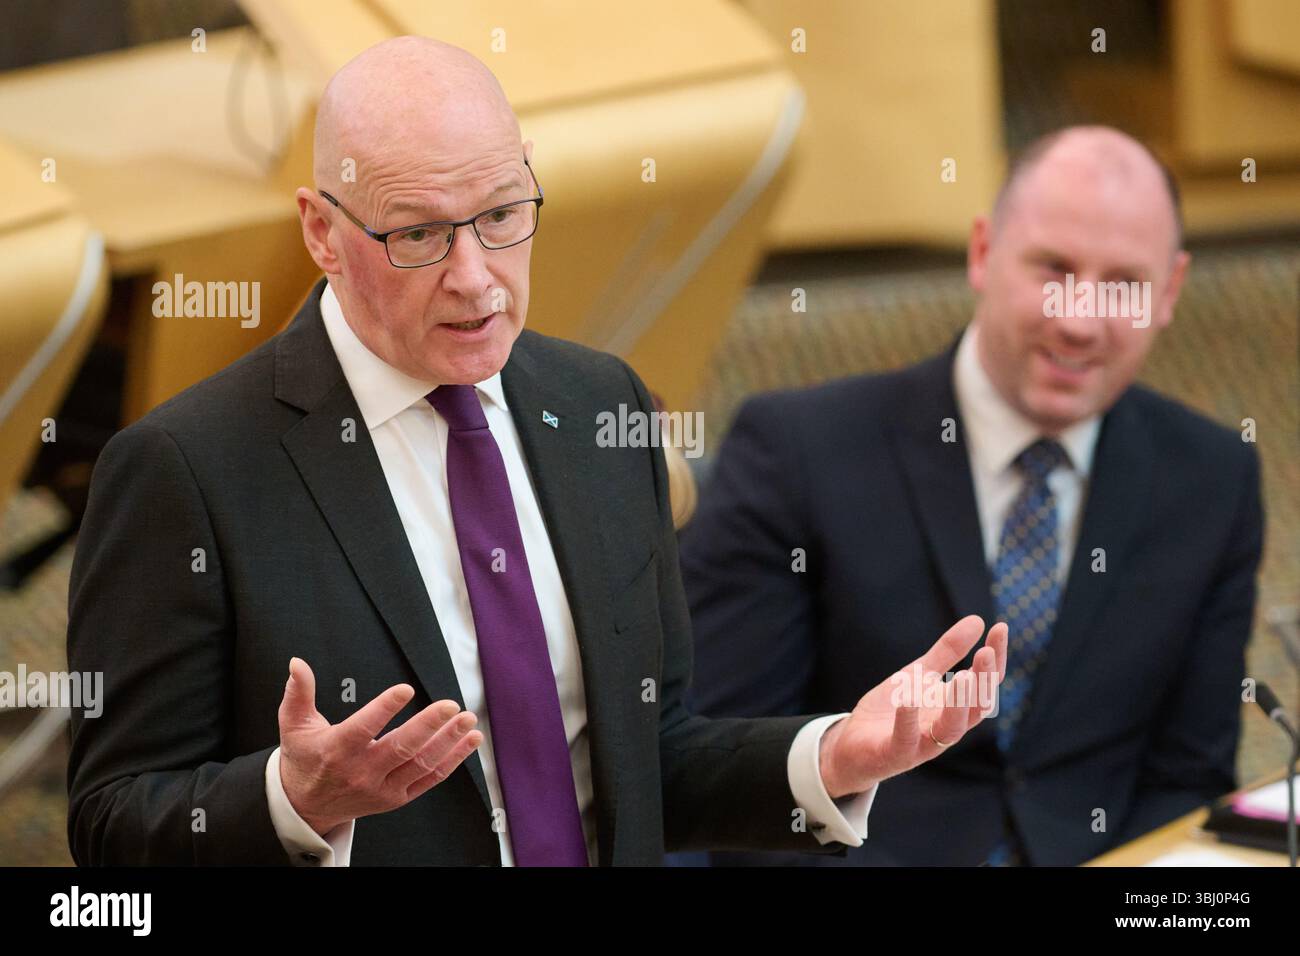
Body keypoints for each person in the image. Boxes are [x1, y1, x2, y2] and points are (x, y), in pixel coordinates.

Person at [65, 36, 1007, 866]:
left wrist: (835, 756)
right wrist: (291, 801)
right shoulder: (188, 469)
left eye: (503, 215)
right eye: (419, 235)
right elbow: (112, 826)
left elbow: (651, 758)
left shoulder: (601, 405)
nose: (475, 279)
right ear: (322, 232)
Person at [680, 126, 1265, 866]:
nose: (1079, 320)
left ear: (1171, 290)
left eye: (1124, 284)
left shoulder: (1213, 478)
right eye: (1052, 268)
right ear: (984, 253)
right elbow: (727, 777)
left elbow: (1188, 779)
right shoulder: (796, 451)